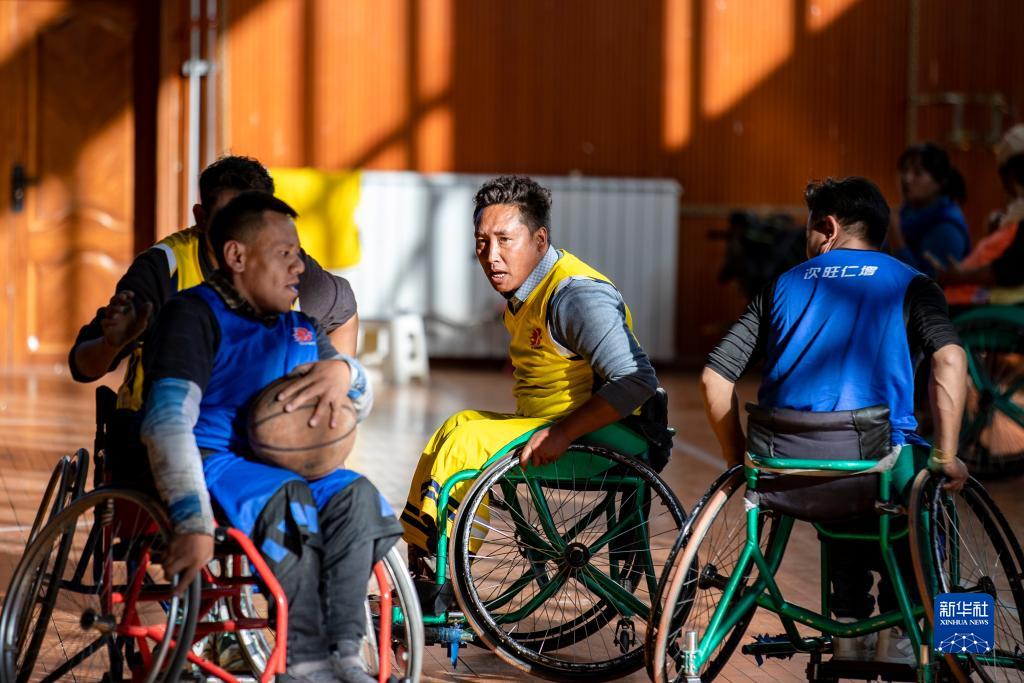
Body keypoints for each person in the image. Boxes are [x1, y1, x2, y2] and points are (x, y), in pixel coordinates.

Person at [701, 177, 968, 664]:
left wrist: (738, 458)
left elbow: (713, 379)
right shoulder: (912, 282)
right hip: (876, 461)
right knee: (928, 494)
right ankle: (921, 637)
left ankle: (848, 623)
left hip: (783, 468)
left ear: (827, 228)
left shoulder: (782, 285)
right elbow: (950, 360)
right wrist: (948, 456)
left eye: (808, 230)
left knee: (840, 499)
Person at [140, 191, 400, 683]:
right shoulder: (193, 316)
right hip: (215, 461)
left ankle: (345, 653)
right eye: (285, 254)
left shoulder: (300, 327)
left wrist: (347, 373)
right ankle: (305, 662)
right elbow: (166, 421)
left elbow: (358, 404)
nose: (299, 267)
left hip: (284, 468)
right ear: (237, 256)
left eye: (298, 254)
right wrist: (192, 520)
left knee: (357, 495)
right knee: (290, 496)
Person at [399, 175, 659, 606]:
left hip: (609, 437)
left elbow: (637, 381)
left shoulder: (576, 297)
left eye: (505, 240)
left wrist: (563, 432)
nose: (491, 256)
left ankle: (441, 582)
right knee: (457, 425)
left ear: (540, 240)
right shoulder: (525, 291)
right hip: (556, 425)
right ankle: (422, 563)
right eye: (482, 242)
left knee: (468, 442)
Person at [69, 155, 359, 420]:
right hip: (154, 430)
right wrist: (112, 345)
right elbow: (83, 367)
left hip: (255, 434)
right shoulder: (164, 268)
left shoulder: (291, 264)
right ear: (201, 217)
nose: (243, 231)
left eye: (255, 219)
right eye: (229, 218)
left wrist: (334, 392)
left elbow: (344, 314)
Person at [934, 124, 1024, 310]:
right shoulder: (1009, 219)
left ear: (1010, 177)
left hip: (997, 309)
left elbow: (1008, 271)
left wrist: (956, 276)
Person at [890, 142, 970, 277]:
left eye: (918, 173)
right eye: (904, 170)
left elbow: (927, 285)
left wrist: (896, 237)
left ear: (940, 182)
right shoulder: (906, 212)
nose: (907, 179)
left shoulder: (947, 227)